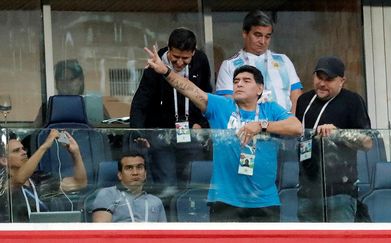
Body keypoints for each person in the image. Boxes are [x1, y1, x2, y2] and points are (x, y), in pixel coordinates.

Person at [145, 44, 302, 222]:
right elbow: (189, 88)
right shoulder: (221, 106)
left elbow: (297, 127)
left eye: (246, 80)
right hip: (225, 201)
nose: (239, 84)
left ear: (260, 89)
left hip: (264, 201)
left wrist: (261, 125)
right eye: (236, 81)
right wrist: (165, 71)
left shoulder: (270, 109)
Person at [130, 27, 212, 197]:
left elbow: (206, 95)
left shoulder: (201, 61)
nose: (180, 63)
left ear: (193, 52)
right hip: (161, 133)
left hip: (190, 132)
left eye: (185, 58)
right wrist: (139, 133)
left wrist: (202, 123)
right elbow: (140, 102)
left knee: (194, 184)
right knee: (167, 188)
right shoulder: (156, 62)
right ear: (168, 48)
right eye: (175, 58)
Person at [295, 56, 372, 222]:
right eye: (319, 77)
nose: (322, 84)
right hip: (307, 190)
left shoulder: (352, 101)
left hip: (340, 191)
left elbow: (367, 142)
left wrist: (339, 133)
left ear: (341, 81)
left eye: (329, 79)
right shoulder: (304, 101)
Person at [215, 10, 303, 114]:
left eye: (267, 36)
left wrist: (291, 122)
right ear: (245, 33)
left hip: (284, 127)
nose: (262, 42)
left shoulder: (283, 60)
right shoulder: (230, 65)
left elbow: (296, 94)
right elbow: (227, 104)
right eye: (258, 35)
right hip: (249, 128)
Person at [3, 129, 87, 222]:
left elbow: (79, 183)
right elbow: (19, 180)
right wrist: (45, 145)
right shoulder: (3, 181)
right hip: (14, 234)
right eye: (16, 151)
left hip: (43, 232)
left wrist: (75, 153)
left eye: (23, 149)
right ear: (4, 160)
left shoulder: (39, 179)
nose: (24, 152)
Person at [92, 151, 166, 222]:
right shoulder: (107, 194)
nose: (135, 173)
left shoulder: (156, 201)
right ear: (120, 175)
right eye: (129, 168)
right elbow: (102, 231)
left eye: (139, 167)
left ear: (145, 174)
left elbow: (165, 233)